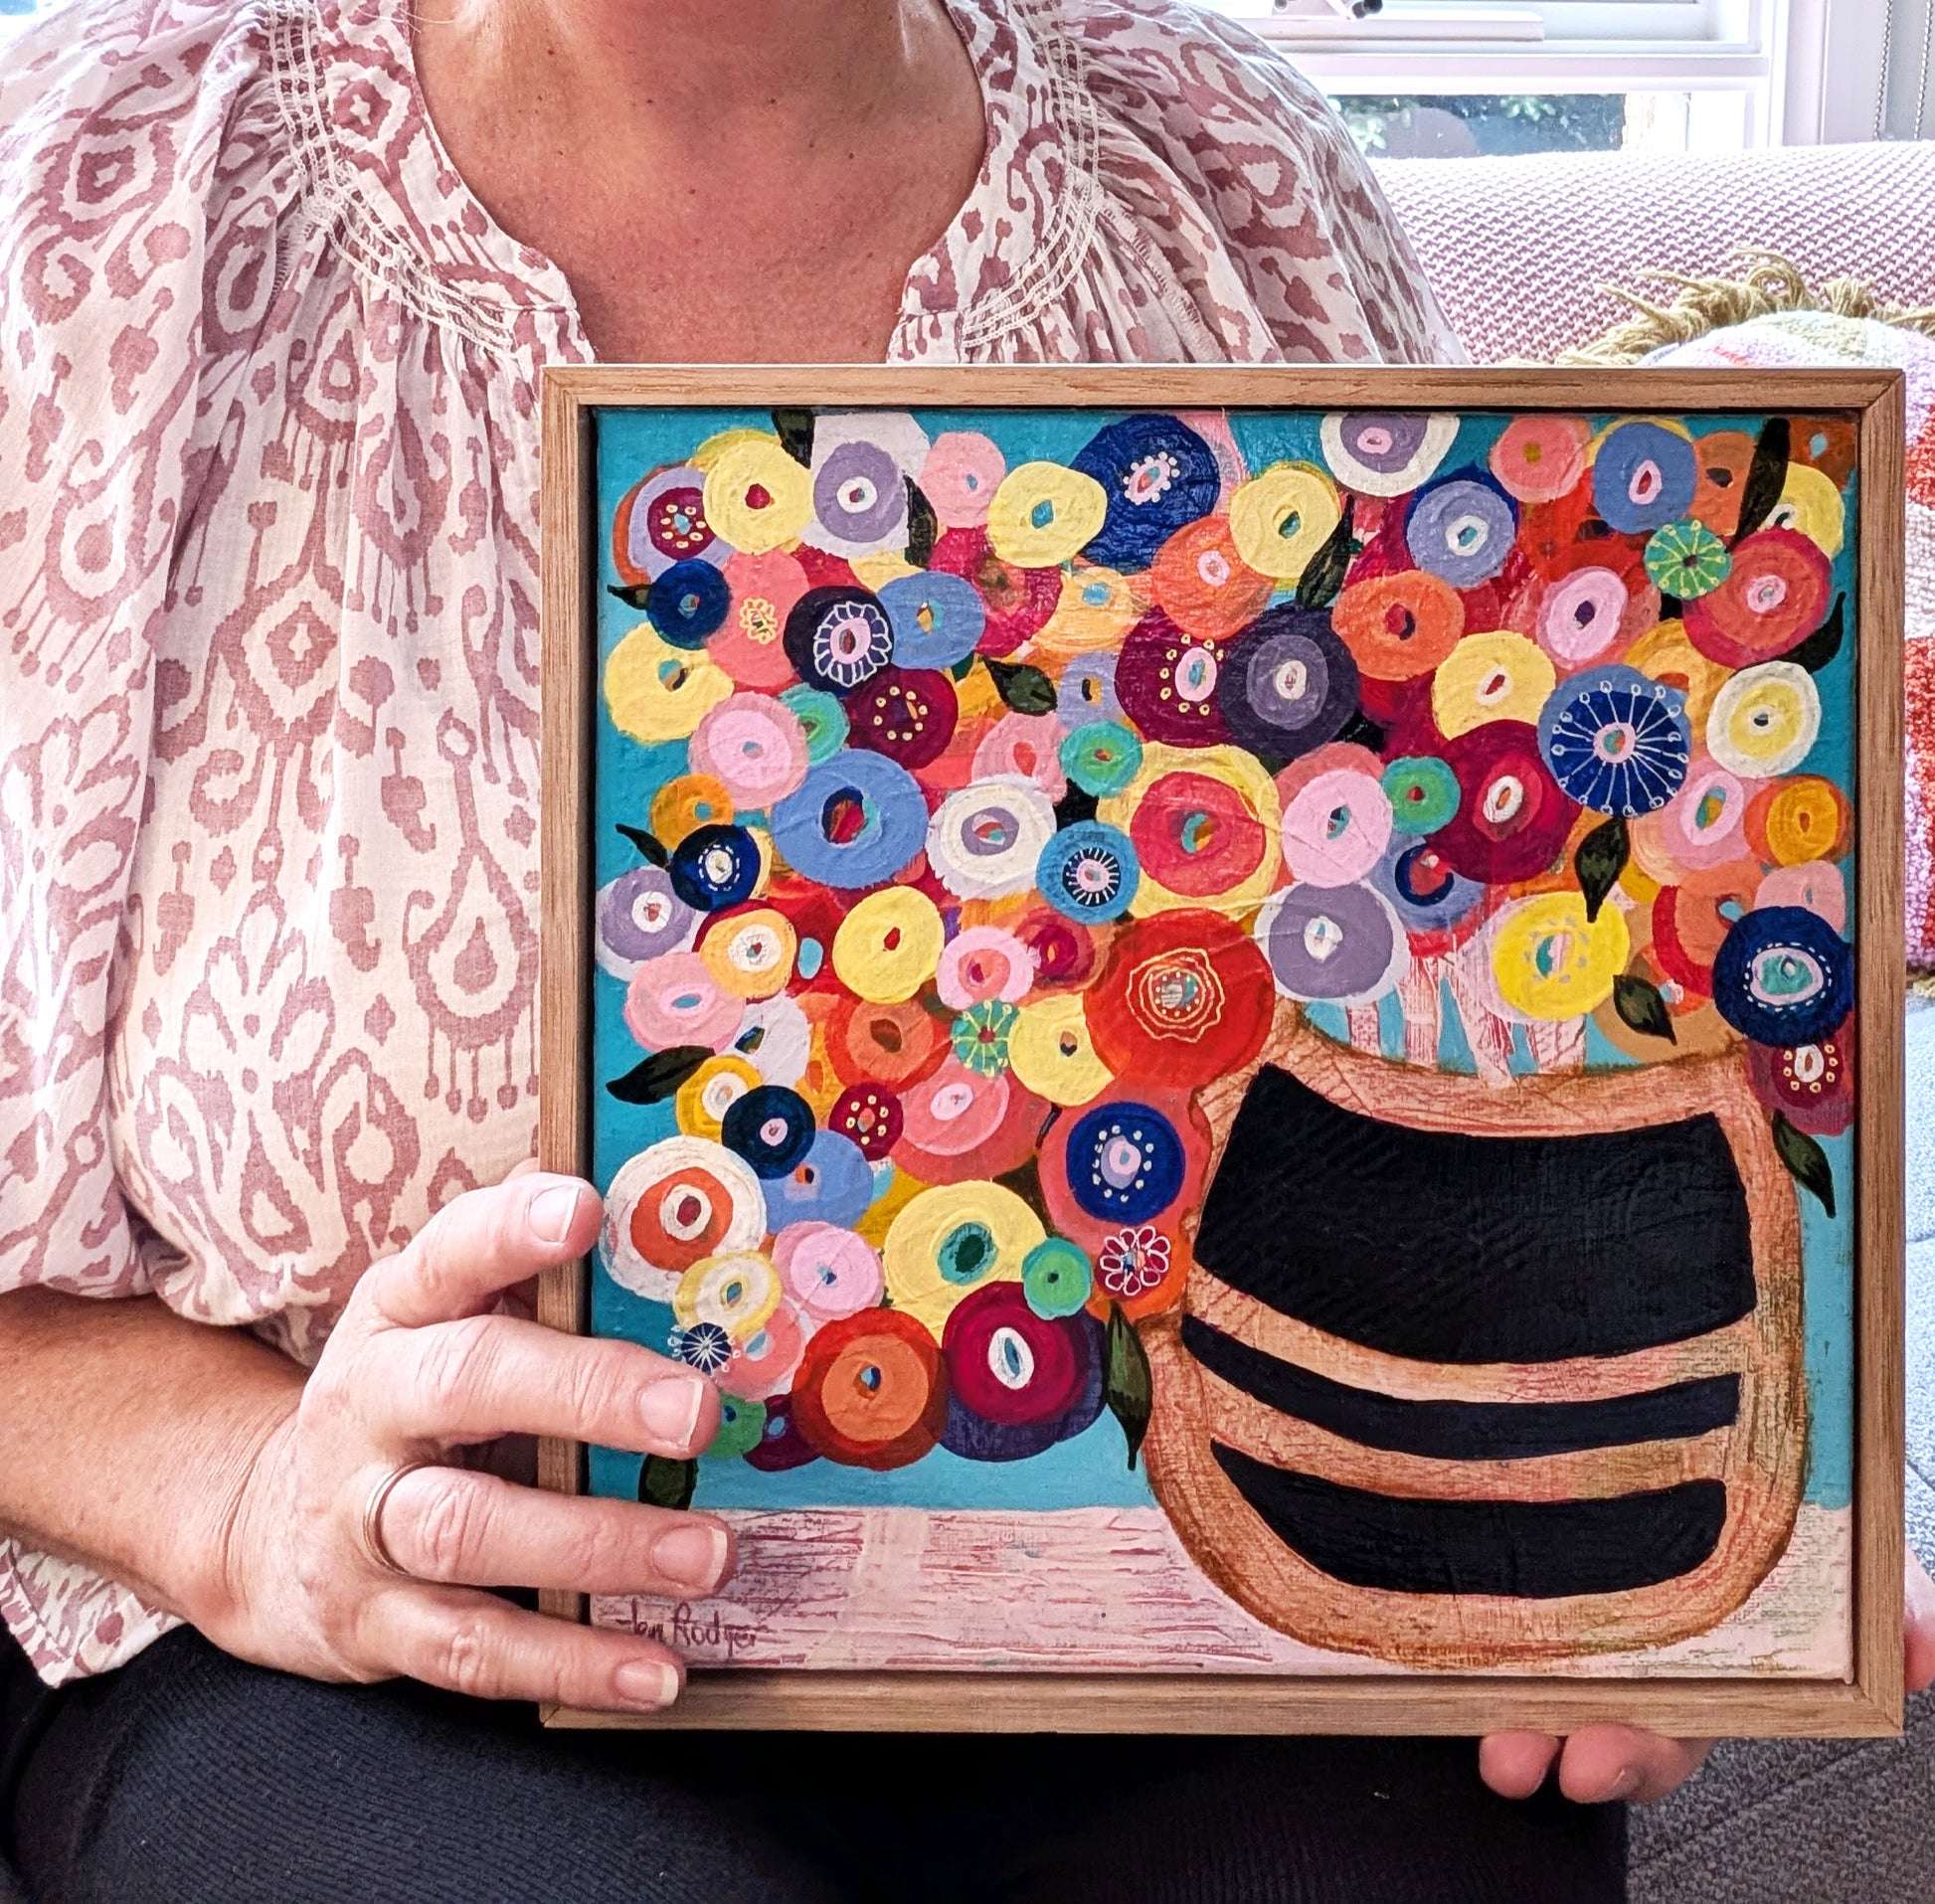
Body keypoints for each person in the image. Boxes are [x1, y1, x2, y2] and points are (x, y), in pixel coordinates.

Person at [0, 0, 1927, 1895]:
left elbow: (1448, 956)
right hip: (370, 1650)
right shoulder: (97, 169)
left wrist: (1671, 1548)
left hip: (1206, 1589)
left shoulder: (1217, 158)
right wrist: (240, 1500)